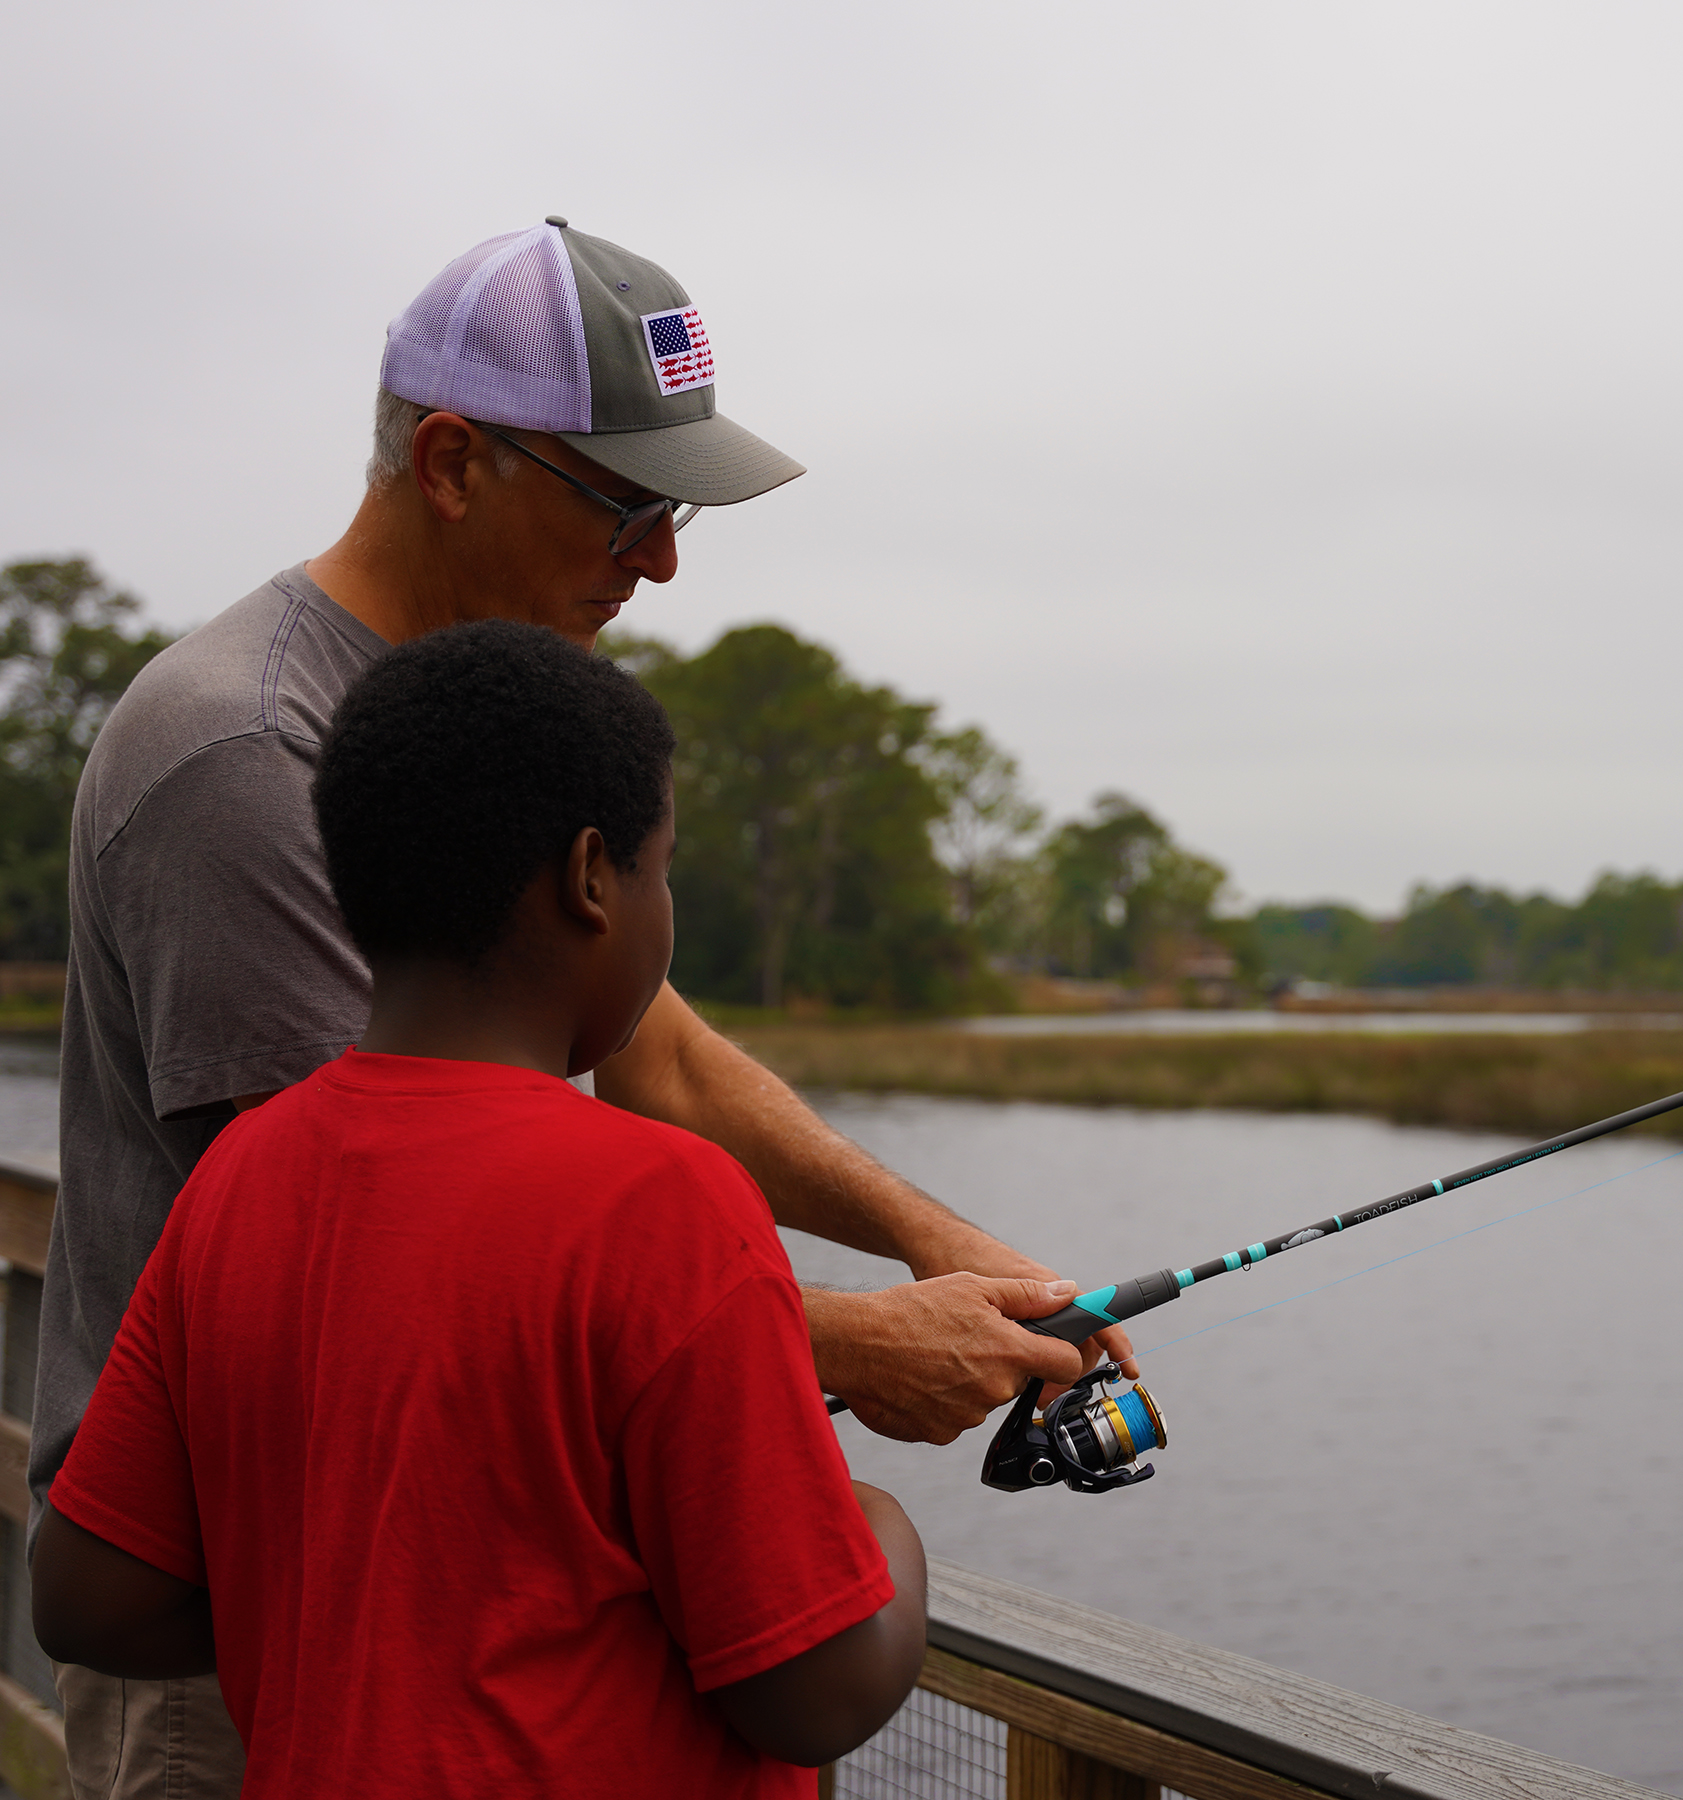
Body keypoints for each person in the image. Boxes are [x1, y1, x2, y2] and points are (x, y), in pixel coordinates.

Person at [35, 218, 1128, 1793]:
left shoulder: (507, 745)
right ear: (457, 461)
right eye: (628, 507)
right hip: (262, 1629)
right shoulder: (250, 753)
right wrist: (808, 1352)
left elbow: (656, 1059)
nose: (666, 561)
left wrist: (938, 1249)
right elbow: (385, 1264)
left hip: (466, 1588)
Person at [32, 620, 927, 1796]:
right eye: (666, 869)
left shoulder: (237, 1179)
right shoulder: (668, 1201)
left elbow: (89, 1594)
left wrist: (377, 1615)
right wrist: (877, 1529)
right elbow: (814, 1691)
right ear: (591, 875)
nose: (665, 913)